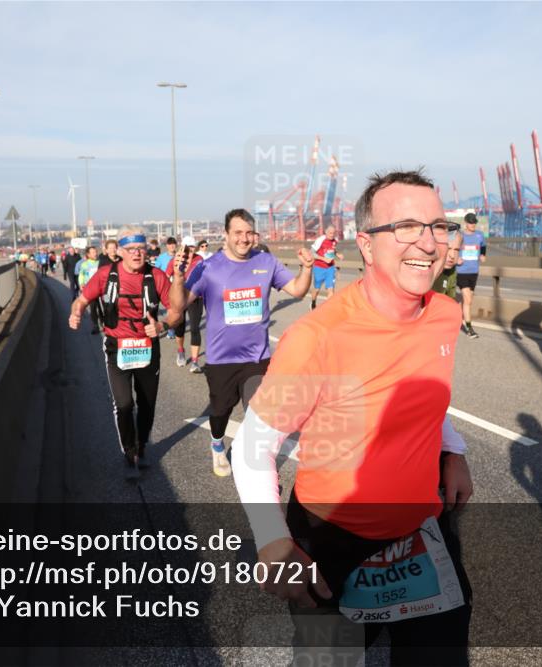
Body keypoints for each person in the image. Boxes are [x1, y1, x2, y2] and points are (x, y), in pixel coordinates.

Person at [230, 169, 472, 664]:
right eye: (405, 227)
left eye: (437, 226)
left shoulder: (445, 313)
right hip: (331, 538)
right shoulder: (317, 337)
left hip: (421, 532)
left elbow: (423, 395)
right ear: (365, 243)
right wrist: (273, 542)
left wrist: (454, 451)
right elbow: (253, 446)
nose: (427, 243)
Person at [181, 208, 312, 477]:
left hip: (257, 358)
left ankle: (257, 467)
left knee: (259, 416)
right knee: (220, 411)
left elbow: (298, 290)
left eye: (249, 233)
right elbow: (180, 303)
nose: (244, 238)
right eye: (238, 233)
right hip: (221, 359)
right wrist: (175, 279)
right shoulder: (208, 267)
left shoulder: (267, 262)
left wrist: (307, 268)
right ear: (226, 235)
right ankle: (217, 445)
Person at [69, 227, 185, 479]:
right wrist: (76, 311)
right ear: (119, 252)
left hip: (147, 347)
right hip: (117, 347)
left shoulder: (156, 276)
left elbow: (176, 310)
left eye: (141, 249)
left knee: (147, 404)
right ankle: (130, 452)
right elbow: (82, 299)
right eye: (131, 249)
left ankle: (141, 445)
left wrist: (163, 325)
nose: (137, 254)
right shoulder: (104, 275)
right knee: (124, 404)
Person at [166, 235, 205, 372]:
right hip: (179, 297)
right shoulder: (175, 260)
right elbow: (166, 276)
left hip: (196, 297)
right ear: (183, 247)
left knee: (195, 328)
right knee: (180, 327)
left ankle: (195, 362)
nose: (191, 249)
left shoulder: (199, 259)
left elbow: (205, 277)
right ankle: (181, 351)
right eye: (188, 247)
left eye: (193, 246)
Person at [456, 212, 485, 338]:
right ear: (466, 223)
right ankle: (469, 328)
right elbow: (451, 248)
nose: (473, 224)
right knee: (467, 299)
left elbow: (483, 246)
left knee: (468, 300)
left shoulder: (479, 235)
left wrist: (483, 254)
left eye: (474, 222)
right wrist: (456, 259)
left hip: (474, 271)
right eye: (470, 222)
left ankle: (456, 318)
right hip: (462, 271)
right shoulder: (460, 235)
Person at [309, 225, 344, 310]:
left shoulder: (334, 241)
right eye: (330, 233)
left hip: (330, 268)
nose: (332, 235)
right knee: (316, 290)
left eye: (333, 233)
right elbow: (311, 253)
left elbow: (332, 249)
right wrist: (323, 259)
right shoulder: (320, 240)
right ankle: (313, 302)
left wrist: (337, 254)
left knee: (331, 290)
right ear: (326, 232)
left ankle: (327, 310)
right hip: (319, 268)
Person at [76, 247, 102, 335]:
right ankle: (95, 326)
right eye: (93, 252)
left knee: (106, 306)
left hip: (103, 290)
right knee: (93, 308)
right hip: (91, 290)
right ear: (88, 254)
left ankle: (105, 323)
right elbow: (81, 275)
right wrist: (81, 284)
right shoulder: (85, 265)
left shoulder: (100, 263)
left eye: (96, 251)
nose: (95, 253)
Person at [437, 230, 462, 299]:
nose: (452, 255)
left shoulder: (452, 271)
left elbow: (451, 300)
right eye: (448, 248)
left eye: (456, 250)